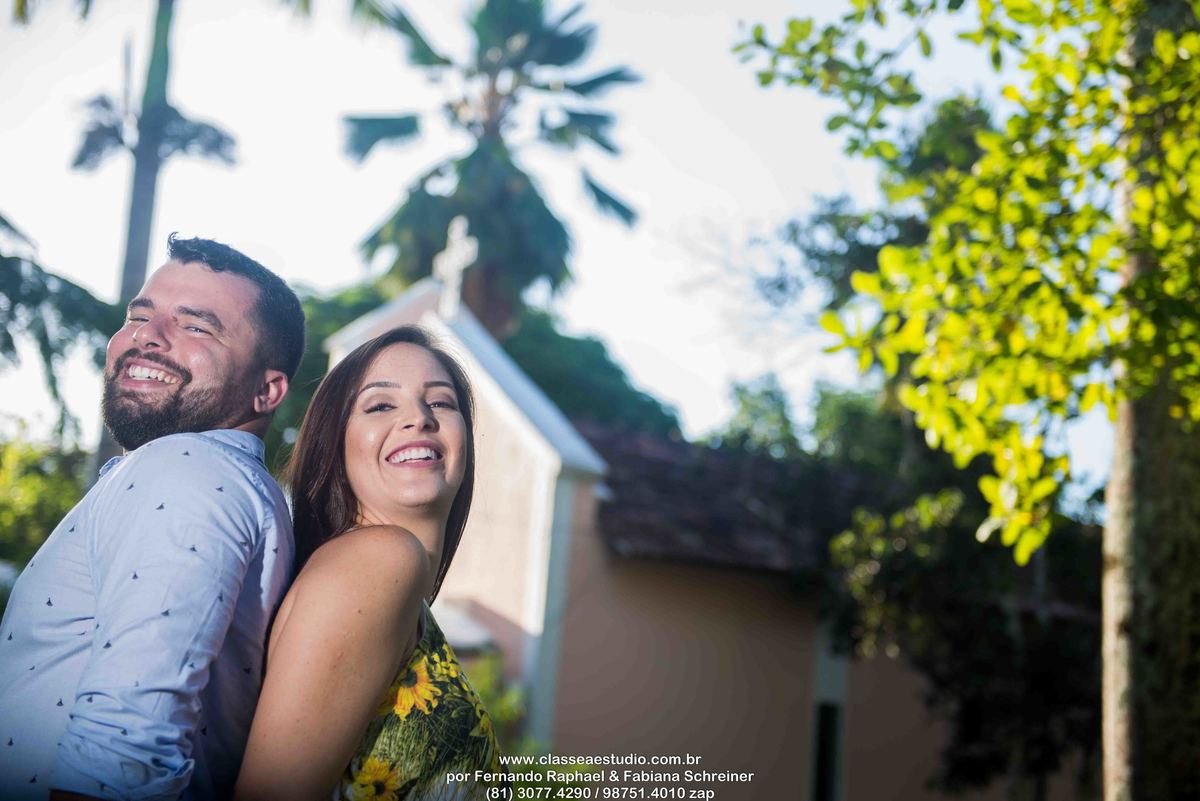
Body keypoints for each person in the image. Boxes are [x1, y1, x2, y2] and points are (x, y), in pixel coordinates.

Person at [0, 234, 305, 801]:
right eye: (139, 315)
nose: (146, 336)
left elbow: (121, 759)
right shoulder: (215, 480)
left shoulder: (188, 469)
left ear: (267, 391)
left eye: (196, 327)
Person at [234, 326, 506, 801]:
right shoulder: (378, 560)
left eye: (441, 402)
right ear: (335, 447)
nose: (419, 418)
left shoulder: (393, 582)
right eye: (381, 405)